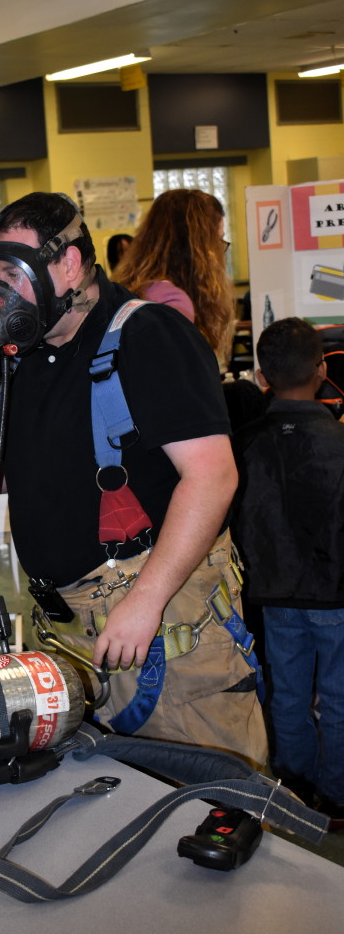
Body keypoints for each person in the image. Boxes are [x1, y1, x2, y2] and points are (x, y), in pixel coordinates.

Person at [0, 191, 267, 766]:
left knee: (209, 791)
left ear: (68, 264)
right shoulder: (24, 356)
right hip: (71, 630)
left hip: (160, 620)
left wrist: (145, 600)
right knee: (117, 800)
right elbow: (21, 470)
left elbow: (212, 478)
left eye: (15, 274)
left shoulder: (148, 336)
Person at [232, 317, 344, 826]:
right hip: (337, 596)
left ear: (261, 375)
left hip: (273, 594)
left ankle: (294, 790)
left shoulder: (244, 443)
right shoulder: (339, 441)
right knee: (341, 699)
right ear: (322, 370)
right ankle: (338, 798)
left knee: (289, 695)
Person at [115, 188, 235, 359]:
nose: (220, 252)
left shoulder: (136, 288)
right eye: (218, 240)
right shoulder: (173, 302)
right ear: (201, 247)